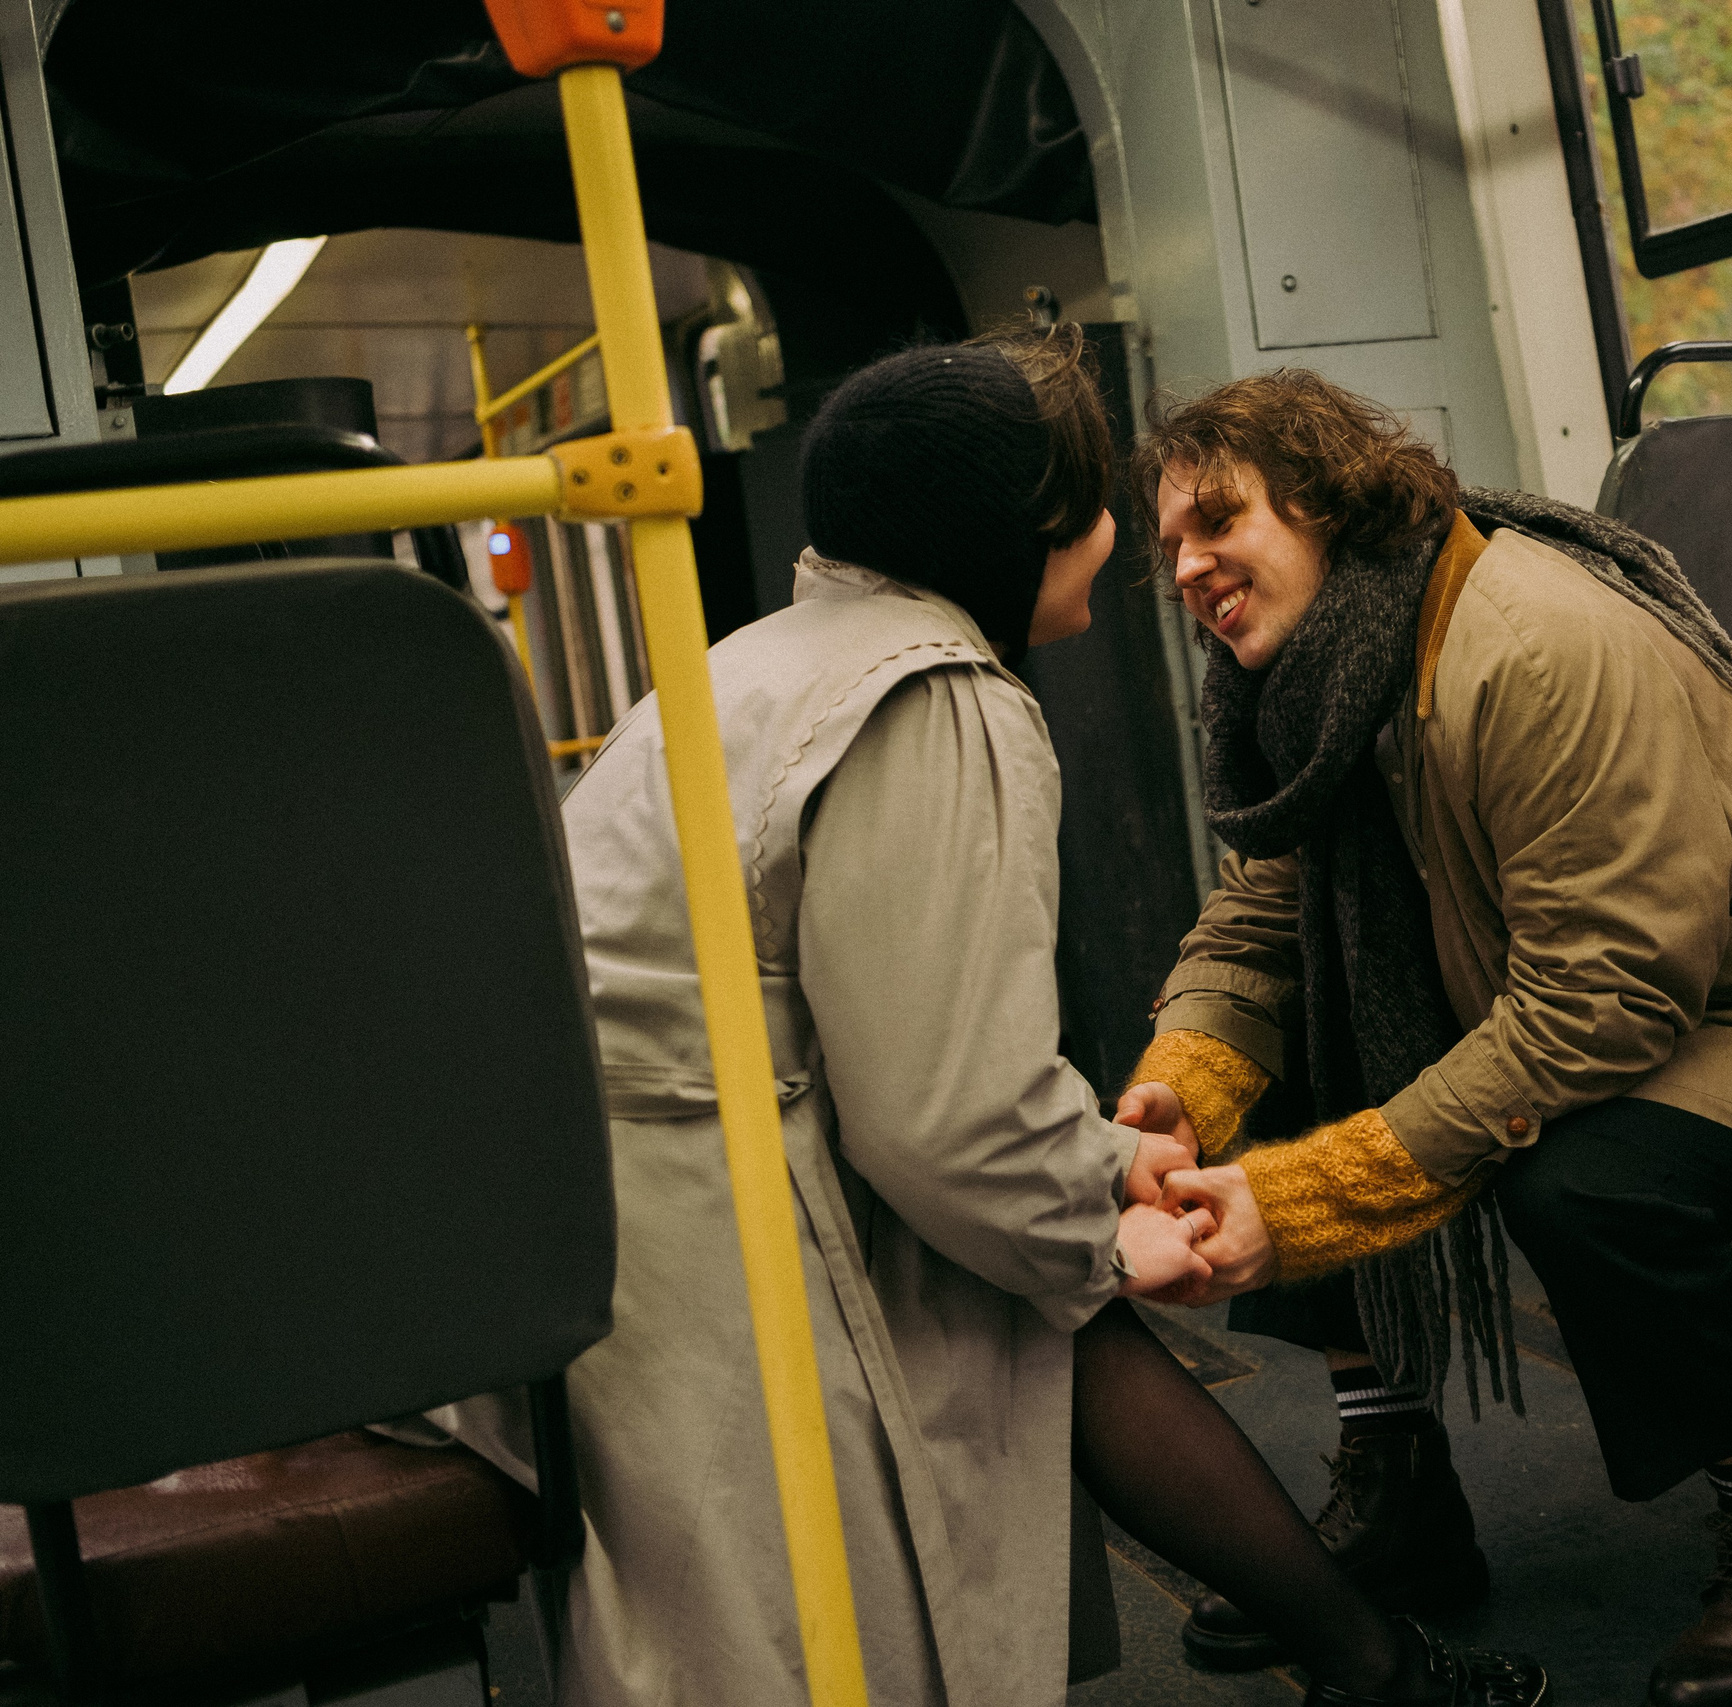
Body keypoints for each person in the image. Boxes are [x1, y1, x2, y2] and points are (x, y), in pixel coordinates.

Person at [428, 329, 1544, 1707]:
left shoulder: (763, 659)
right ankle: (1377, 1671)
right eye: (1099, 508)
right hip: (697, 1240)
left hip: (579, 1205)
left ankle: (1368, 1667)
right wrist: (1104, 1205)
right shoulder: (939, 699)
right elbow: (944, 1122)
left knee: (1056, 1307)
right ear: (1023, 530)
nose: (1131, 544)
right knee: (1061, 1304)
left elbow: (879, 1044)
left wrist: (1083, 1157)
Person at [1115, 370, 1732, 1707]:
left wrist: (1306, 1201)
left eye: (1217, 522)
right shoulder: (1332, 669)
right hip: (1672, 999)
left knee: (1582, 1176)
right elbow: (1265, 920)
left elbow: (1605, 1000)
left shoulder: (1528, 644)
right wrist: (1178, 1094)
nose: (1185, 567)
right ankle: (1401, 1480)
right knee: (1294, 1048)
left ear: (1327, 504)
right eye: (1167, 542)